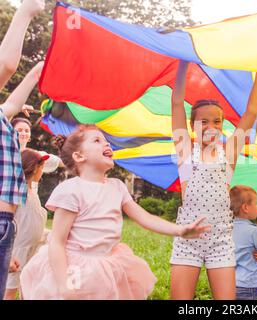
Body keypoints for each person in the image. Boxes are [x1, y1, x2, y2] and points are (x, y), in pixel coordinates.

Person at [20, 125, 210, 300]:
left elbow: (144, 217)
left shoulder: (117, 187)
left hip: (107, 266)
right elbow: (57, 242)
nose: (106, 144)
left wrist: (180, 230)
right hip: (75, 268)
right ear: (79, 156)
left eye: (106, 140)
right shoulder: (71, 190)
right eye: (97, 140)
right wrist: (64, 283)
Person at [170, 60, 257, 300]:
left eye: (217, 121)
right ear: (192, 126)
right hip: (188, 241)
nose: (211, 126)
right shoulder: (185, 151)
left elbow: (251, 112)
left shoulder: (229, 152)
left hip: (220, 242)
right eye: (204, 121)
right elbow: (176, 102)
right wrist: (182, 61)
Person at [0, 0, 45, 299]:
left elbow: (12, 105)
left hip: (7, 224)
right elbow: (6, 66)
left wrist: (38, 71)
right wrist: (25, 11)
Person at [4, 149, 49, 300]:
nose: (42, 171)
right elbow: (5, 222)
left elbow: (31, 220)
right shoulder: (17, 191)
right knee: (9, 293)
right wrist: (7, 256)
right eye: (42, 167)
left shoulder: (31, 191)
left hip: (32, 251)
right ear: (35, 168)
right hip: (16, 252)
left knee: (29, 289)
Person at [230, 185, 257, 300]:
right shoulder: (254, 231)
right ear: (246, 207)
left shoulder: (227, 229)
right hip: (248, 287)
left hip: (229, 285)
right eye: (256, 203)